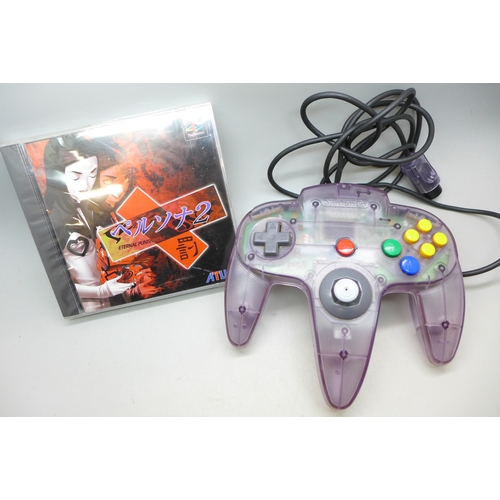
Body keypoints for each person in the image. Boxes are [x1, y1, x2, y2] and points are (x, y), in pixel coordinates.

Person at [43, 135, 134, 312]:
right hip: (86, 308)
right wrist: (101, 291)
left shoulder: (96, 210)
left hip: (119, 299)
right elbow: (55, 283)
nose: (86, 185)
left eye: (92, 174)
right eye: (76, 176)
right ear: (56, 176)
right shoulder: (52, 221)